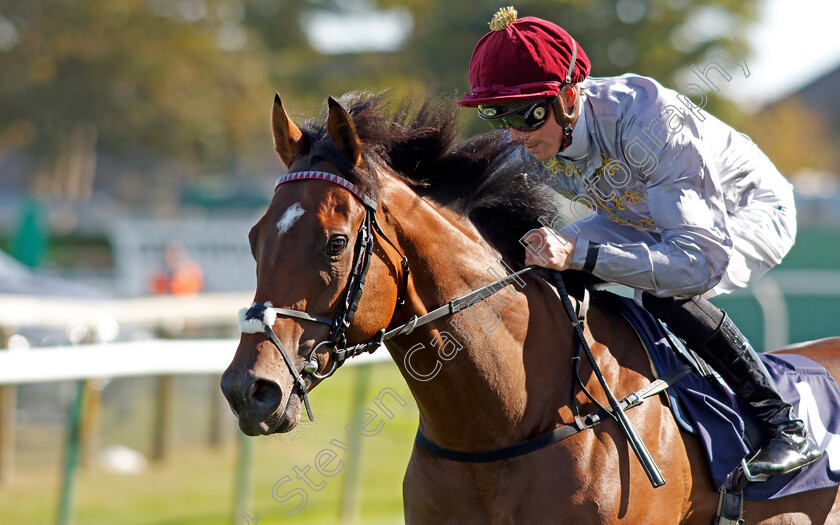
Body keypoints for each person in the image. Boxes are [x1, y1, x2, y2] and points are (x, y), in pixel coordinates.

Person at [457, 6, 821, 479]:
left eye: (525, 114)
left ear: (568, 97)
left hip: (742, 214)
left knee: (663, 287)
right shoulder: (533, 133)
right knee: (536, 264)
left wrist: (580, 253)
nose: (514, 135)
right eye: (496, 114)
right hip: (640, 216)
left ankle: (783, 424)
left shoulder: (652, 122)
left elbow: (697, 264)